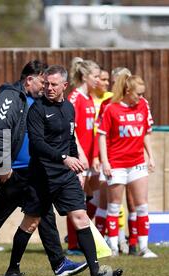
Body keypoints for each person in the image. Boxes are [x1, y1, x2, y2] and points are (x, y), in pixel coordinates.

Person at [0, 60, 87, 276]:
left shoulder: (40, 102)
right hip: (14, 172)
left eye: (50, 83)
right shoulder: (11, 97)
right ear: (29, 80)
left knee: (41, 214)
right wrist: (2, 166)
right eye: (42, 81)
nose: (46, 87)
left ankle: (58, 263)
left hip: (33, 172)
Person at [25, 64, 123, 276]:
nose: (49, 88)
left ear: (64, 86)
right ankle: (13, 270)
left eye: (53, 84)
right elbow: (37, 144)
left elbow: (69, 139)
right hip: (41, 176)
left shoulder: (69, 108)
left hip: (65, 174)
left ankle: (97, 275)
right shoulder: (37, 109)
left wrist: (76, 158)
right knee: (30, 223)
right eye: (46, 84)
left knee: (81, 218)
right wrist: (64, 159)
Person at [98, 73, 157, 258]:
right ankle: (113, 247)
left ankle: (143, 248)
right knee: (114, 206)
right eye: (138, 94)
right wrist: (105, 162)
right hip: (116, 164)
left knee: (142, 206)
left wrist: (151, 156)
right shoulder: (111, 108)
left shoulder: (143, 105)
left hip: (137, 162)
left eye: (143, 93)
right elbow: (102, 135)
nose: (141, 97)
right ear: (128, 90)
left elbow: (146, 132)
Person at [65, 57, 100, 255]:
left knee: (91, 197)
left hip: (88, 158)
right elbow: (72, 130)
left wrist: (94, 155)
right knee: (75, 200)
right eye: (95, 76)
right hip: (78, 158)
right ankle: (73, 244)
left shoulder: (88, 99)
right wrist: (80, 153)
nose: (98, 80)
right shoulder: (75, 98)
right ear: (85, 77)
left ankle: (80, 235)